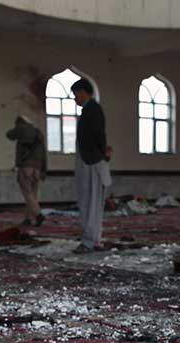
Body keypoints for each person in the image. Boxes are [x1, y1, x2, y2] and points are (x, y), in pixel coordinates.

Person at [71, 78, 111, 253]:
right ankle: (94, 239)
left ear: (83, 92)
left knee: (91, 203)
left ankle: (90, 241)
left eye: (76, 95)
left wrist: (102, 153)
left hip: (93, 161)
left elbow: (99, 134)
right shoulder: (88, 109)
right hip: (90, 160)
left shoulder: (93, 109)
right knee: (89, 202)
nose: (75, 98)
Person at [5, 115, 47, 226]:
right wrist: (44, 170)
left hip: (26, 166)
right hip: (38, 167)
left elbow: (9, 135)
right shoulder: (38, 133)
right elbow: (44, 154)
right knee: (33, 194)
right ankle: (28, 218)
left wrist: (18, 129)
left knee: (27, 193)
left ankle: (38, 215)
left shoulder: (22, 128)